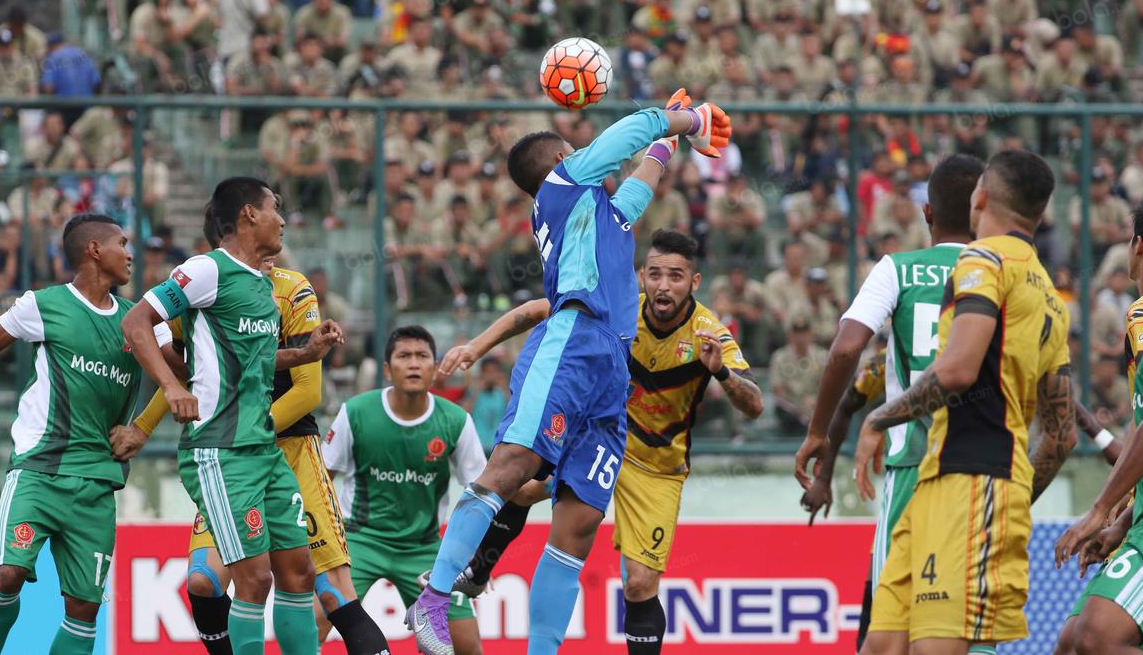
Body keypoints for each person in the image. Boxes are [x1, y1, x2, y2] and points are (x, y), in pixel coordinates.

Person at [406, 92, 731, 655]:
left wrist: (670, 142)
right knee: (512, 466)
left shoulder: (600, 214)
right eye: (576, 150)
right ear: (563, 162)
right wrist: (688, 118)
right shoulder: (564, 184)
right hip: (573, 342)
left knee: (577, 526)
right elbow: (633, 129)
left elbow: (642, 180)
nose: (586, 154)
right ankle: (433, 599)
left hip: (609, 369)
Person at [431, 229, 764, 655]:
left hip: (657, 467)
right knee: (521, 484)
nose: (664, 286)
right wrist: (475, 347)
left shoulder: (708, 333)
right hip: (602, 440)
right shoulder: (620, 309)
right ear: (641, 276)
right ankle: (478, 573)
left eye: (676, 276)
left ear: (694, 282)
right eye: (655, 274)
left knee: (639, 583)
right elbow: (536, 310)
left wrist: (721, 372)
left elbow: (754, 404)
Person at [113, 208, 388, 655]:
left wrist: (258, 414)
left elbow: (307, 392)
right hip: (230, 451)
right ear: (240, 229)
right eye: (271, 214)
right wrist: (144, 425)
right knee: (209, 579)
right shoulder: (204, 283)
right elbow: (190, 370)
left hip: (287, 448)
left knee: (320, 583)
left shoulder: (289, 289)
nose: (280, 225)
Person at [854, 150, 1077, 654]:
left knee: (936, 647)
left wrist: (878, 419)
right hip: (953, 480)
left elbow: (957, 370)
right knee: (882, 643)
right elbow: (1062, 434)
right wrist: (1014, 493)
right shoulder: (1049, 294)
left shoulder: (983, 259)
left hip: (971, 483)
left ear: (981, 197)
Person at [0, 214, 173, 655]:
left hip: (97, 482)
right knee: (8, 574)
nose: (130, 253)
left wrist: (142, 427)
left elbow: (183, 372)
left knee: (84, 609)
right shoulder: (44, 305)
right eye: (121, 243)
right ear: (94, 250)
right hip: (39, 471)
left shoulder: (140, 321)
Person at [793, 154, 984, 647]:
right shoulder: (1005, 274)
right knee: (970, 630)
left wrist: (817, 432)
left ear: (926, 212)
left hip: (913, 468)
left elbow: (846, 349)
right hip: (984, 473)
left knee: (889, 627)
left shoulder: (898, 269)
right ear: (983, 210)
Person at [321, 326, 487, 655]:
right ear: (387, 369)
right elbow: (321, 478)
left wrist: (479, 556)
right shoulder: (356, 411)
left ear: (435, 368)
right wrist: (320, 542)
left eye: (422, 356)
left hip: (424, 547)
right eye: (404, 356)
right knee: (313, 619)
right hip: (360, 541)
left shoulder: (456, 420)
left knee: (467, 647)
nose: (413, 363)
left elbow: (481, 493)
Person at [1053, 199, 1143, 654]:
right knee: (1071, 641)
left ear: (1139, 247)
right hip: (1142, 513)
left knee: (1096, 637)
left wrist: (1101, 509)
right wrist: (1119, 523)